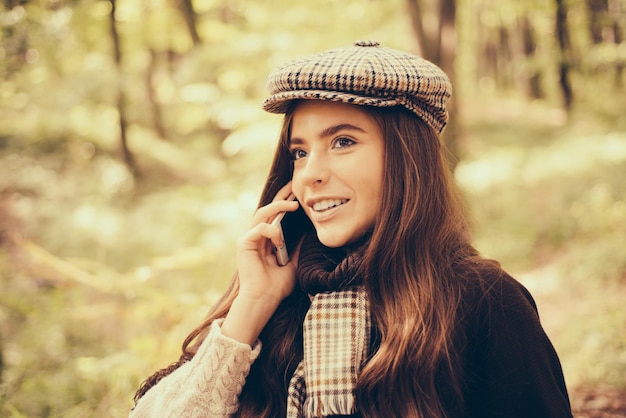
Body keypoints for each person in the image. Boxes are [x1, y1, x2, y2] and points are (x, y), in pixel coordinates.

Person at [129, 40, 573, 417]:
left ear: (406, 159)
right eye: (300, 152)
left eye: (343, 142)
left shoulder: (481, 298)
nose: (309, 175)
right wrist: (252, 305)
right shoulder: (280, 303)